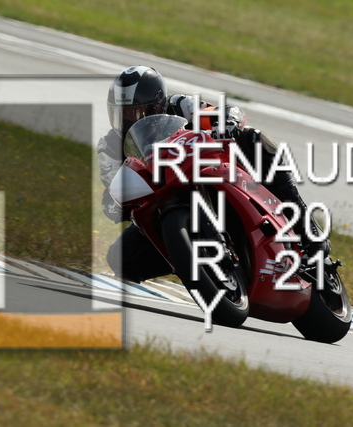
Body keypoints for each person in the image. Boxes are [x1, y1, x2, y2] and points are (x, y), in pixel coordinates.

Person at [99, 65, 329, 283]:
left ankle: (306, 227)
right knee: (120, 258)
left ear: (157, 105)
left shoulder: (180, 106)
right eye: (120, 114)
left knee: (253, 138)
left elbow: (223, 112)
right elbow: (111, 190)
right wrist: (115, 204)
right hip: (161, 206)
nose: (127, 121)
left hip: (210, 175)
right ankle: (196, 268)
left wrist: (227, 122)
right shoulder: (109, 147)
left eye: (134, 113)